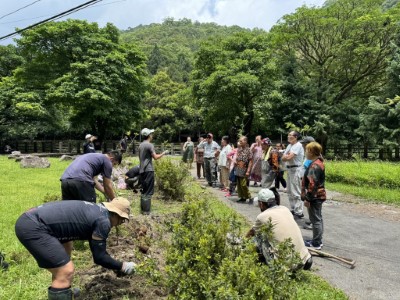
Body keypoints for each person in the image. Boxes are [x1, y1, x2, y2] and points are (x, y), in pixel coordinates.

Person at [15, 197, 136, 300]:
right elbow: (99, 257)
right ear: (114, 213)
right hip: (33, 227)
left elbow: (67, 232)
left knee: (64, 261)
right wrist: (123, 266)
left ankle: (63, 291)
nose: (121, 222)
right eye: (121, 219)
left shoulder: (96, 210)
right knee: (65, 270)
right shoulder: (103, 221)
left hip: (30, 219)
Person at [246, 189, 312, 270]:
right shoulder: (285, 209)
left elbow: (251, 233)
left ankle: (268, 262)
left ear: (261, 204)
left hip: (285, 266)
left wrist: (244, 242)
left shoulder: (262, 217)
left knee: (258, 237)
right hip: (304, 260)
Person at [302, 142, 326, 250]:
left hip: (315, 196)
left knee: (315, 219)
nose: (305, 152)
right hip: (317, 195)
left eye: (307, 150)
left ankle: (316, 243)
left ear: (311, 152)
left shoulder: (315, 165)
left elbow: (312, 184)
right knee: (317, 219)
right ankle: (317, 240)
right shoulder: (317, 162)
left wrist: (308, 198)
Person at [139, 128, 168, 215]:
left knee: (144, 190)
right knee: (148, 191)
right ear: (149, 136)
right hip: (148, 170)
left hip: (142, 170)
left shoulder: (140, 145)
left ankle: (143, 210)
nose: (152, 135)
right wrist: (164, 153)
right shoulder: (149, 145)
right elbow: (155, 157)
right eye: (151, 134)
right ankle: (147, 212)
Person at [282, 131, 304, 218]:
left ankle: (299, 212)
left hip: (296, 169)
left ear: (295, 137)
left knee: (296, 191)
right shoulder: (289, 145)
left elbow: (289, 157)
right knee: (290, 191)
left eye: (290, 135)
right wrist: (286, 156)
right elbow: (284, 158)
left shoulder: (298, 145)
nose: (288, 136)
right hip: (289, 169)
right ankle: (294, 209)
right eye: (288, 134)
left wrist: (286, 156)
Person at [234, 136, 253, 203]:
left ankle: (249, 197)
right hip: (238, 168)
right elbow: (237, 158)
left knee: (243, 184)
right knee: (239, 184)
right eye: (239, 141)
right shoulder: (239, 149)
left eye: (241, 141)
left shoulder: (249, 150)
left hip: (245, 169)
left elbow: (250, 161)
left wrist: (248, 171)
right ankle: (242, 197)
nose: (240, 142)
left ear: (245, 141)